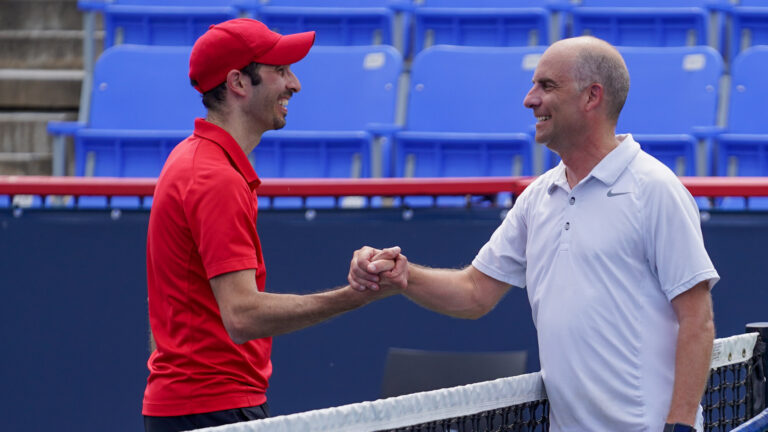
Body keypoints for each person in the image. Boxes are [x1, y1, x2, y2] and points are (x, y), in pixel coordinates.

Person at [350, 36, 717, 432]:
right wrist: (405, 276)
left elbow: (697, 320)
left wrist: (679, 426)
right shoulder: (538, 197)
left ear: (592, 96)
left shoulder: (655, 189)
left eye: (547, 86)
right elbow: (474, 293)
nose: (529, 100)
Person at [142, 18, 406, 432]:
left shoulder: (194, 162)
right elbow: (242, 315)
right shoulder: (214, 178)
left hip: (195, 406)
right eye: (280, 71)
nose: (294, 84)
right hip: (212, 411)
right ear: (238, 83)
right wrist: (353, 296)